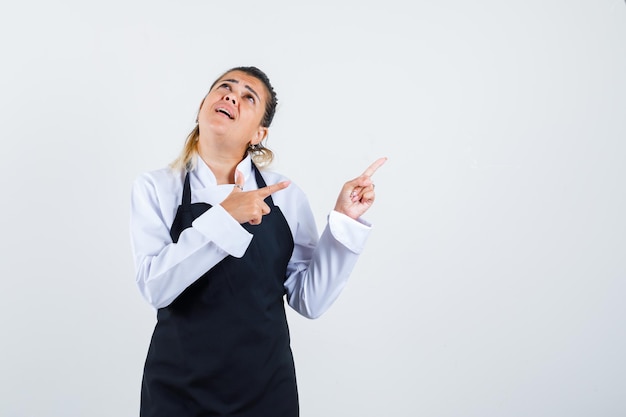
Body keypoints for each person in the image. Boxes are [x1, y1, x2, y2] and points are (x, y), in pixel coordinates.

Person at [130, 66, 386, 417]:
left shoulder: (285, 195)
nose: (231, 95)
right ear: (203, 105)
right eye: (224, 87)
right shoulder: (157, 187)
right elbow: (155, 287)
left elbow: (309, 299)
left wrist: (343, 220)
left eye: (248, 96)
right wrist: (225, 218)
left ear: (259, 133)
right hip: (177, 393)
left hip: (266, 393)